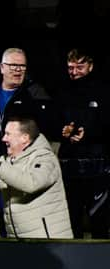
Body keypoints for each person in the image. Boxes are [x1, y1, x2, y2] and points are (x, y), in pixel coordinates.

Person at [0, 47, 57, 231]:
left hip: (20, 169)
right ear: (2, 67)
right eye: (13, 65)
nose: (18, 70)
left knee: (17, 220)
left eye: (22, 66)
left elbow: (46, 130)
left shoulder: (34, 93)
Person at [0, 116, 73, 239]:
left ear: (24, 138)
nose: (3, 138)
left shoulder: (45, 158)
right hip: (18, 242)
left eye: (8, 134)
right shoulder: (6, 161)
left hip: (49, 243)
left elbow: (31, 183)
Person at [54, 49, 110, 238]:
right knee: (71, 221)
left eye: (80, 66)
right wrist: (63, 131)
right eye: (71, 67)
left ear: (91, 66)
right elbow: (53, 121)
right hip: (70, 166)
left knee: (99, 220)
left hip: (98, 166)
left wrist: (89, 133)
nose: (75, 72)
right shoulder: (62, 90)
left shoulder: (103, 91)